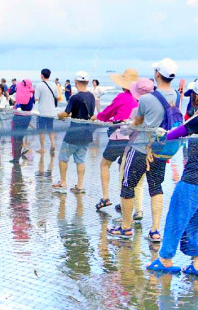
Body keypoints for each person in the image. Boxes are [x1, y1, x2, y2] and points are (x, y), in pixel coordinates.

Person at [146, 76, 198, 277]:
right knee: (196, 223)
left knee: (176, 219)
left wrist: (158, 132)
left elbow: (171, 135)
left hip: (194, 182)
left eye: (194, 97)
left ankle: (165, 259)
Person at [108, 57, 179, 241]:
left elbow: (137, 122)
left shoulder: (147, 98)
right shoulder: (177, 96)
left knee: (127, 185)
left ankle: (125, 227)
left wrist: (128, 124)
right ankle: (155, 230)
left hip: (140, 148)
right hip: (161, 149)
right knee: (156, 187)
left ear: (157, 74)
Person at [93, 69, 142, 213]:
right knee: (124, 169)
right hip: (134, 139)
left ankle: (105, 197)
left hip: (119, 137)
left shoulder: (122, 96)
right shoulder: (139, 100)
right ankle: (124, 201)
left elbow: (108, 112)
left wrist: (98, 117)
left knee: (104, 164)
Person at [52, 71, 95, 193]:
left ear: (75, 82)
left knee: (63, 157)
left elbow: (66, 113)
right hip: (87, 133)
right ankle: (80, 186)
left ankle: (63, 183)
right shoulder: (91, 96)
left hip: (73, 133)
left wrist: (60, 115)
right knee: (80, 160)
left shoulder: (74, 97)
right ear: (87, 82)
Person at [10, 79, 35, 163]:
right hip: (27, 118)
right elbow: (31, 106)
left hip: (18, 117)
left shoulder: (21, 94)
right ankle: (17, 157)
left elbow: (18, 106)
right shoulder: (31, 94)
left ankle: (16, 157)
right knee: (20, 137)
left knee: (15, 138)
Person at [34, 68, 58, 154]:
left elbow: (36, 98)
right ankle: (53, 144)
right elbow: (57, 96)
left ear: (42, 75)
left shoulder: (39, 85)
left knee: (42, 130)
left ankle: (42, 148)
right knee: (50, 128)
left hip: (42, 111)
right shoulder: (54, 84)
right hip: (51, 111)